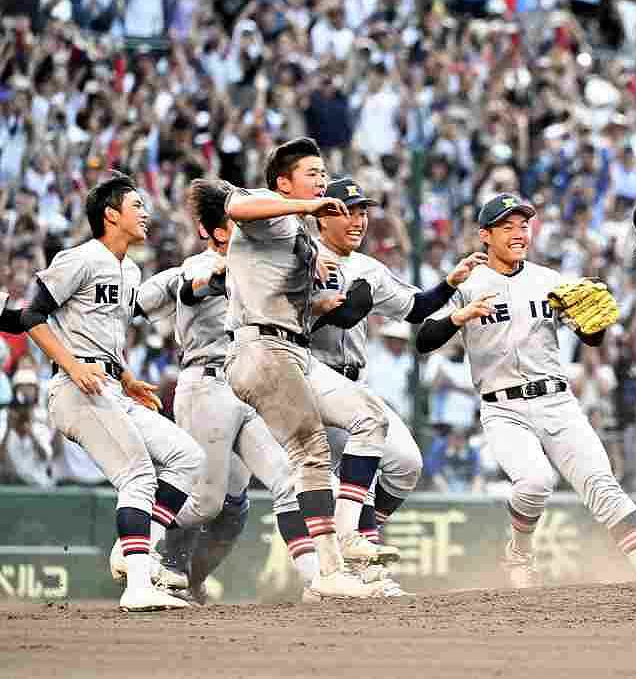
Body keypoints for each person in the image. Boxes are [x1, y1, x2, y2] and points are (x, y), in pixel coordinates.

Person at [416, 194, 636, 587]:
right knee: (534, 482)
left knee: (602, 482)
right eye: (507, 226)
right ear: (485, 235)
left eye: (523, 225)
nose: (518, 233)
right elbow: (424, 339)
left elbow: (591, 339)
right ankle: (518, 554)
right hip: (503, 407)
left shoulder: (550, 280)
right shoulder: (468, 283)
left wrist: (594, 323)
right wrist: (459, 315)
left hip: (557, 401)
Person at [8, 172, 205, 611]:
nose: (146, 212)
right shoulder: (79, 257)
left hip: (111, 385)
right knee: (137, 474)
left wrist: (129, 378)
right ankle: (138, 585)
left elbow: (107, 335)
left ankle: (132, 548)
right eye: (137, 205)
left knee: (188, 457)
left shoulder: (130, 268)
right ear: (111, 215)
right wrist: (72, 364)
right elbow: (32, 317)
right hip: (75, 389)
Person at [137, 178, 340, 603]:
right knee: (207, 502)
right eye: (226, 223)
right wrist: (215, 274)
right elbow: (184, 291)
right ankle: (143, 550)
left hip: (247, 382)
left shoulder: (261, 265)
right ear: (212, 231)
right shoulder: (196, 264)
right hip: (205, 384)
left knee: (286, 479)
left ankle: (319, 581)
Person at [221, 137, 394, 599]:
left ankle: (345, 537)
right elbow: (235, 206)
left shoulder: (295, 230)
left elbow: (290, 292)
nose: (320, 180)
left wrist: (325, 301)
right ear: (283, 182)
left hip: (292, 348)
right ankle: (330, 571)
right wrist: (303, 204)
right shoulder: (272, 208)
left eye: (322, 173)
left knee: (370, 417)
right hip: (261, 348)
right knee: (312, 453)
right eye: (311, 173)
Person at [308, 176, 485, 554]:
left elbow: (416, 308)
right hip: (307, 379)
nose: (357, 221)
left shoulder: (368, 268)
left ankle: (363, 539)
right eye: (345, 213)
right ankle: (361, 553)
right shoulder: (303, 257)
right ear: (322, 218)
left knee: (406, 464)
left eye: (361, 213)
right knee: (362, 470)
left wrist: (450, 283)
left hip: (353, 382)